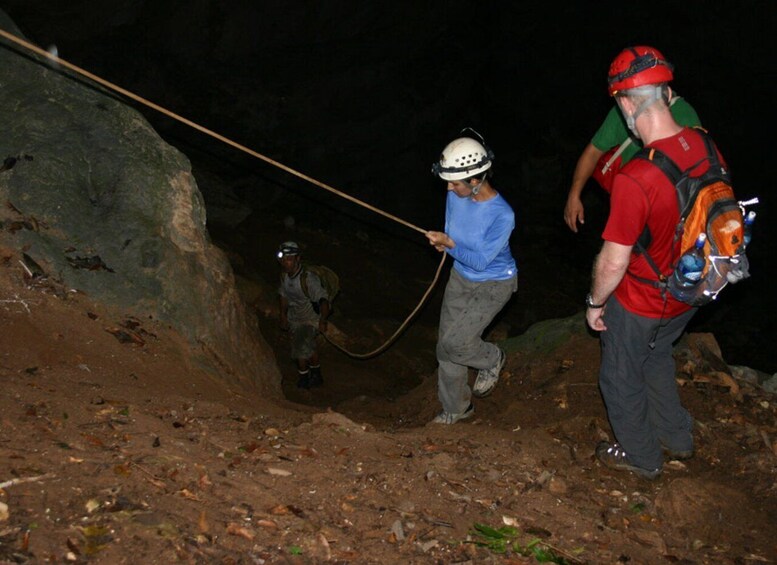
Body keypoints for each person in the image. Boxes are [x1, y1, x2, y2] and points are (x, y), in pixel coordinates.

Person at [585, 46, 719, 479]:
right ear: (666, 92)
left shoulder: (637, 177)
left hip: (646, 300)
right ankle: (678, 436)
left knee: (619, 378)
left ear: (626, 104)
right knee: (658, 354)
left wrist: (594, 302)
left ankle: (642, 459)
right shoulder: (704, 143)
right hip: (693, 289)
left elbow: (612, 263)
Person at [426, 131, 518, 424]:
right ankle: (457, 409)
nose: (449, 188)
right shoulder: (455, 195)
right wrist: (445, 242)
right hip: (460, 277)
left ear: (475, 181)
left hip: (494, 282)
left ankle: (492, 359)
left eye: (455, 182)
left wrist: (451, 245)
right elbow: (454, 234)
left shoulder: (502, 215)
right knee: (445, 348)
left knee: (456, 343)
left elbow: (480, 261)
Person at [564, 47, 701, 233]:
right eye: (621, 99)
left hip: (671, 218)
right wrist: (574, 194)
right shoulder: (620, 114)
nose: (624, 105)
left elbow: (698, 176)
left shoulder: (686, 118)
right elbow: (593, 150)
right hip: (630, 205)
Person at [277, 241, 330, 389]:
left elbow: (323, 300)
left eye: (289, 259)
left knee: (300, 348)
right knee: (308, 347)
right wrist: (282, 315)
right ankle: (317, 374)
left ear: (297, 259)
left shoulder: (308, 279)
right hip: (294, 318)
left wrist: (323, 320)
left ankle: (304, 378)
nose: (284, 262)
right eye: (282, 259)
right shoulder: (284, 276)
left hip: (309, 319)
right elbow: (283, 295)